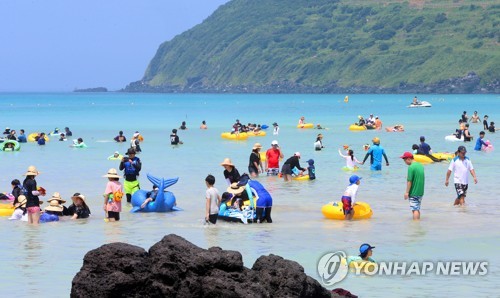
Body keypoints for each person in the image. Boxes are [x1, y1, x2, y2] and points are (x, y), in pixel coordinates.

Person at [400, 152, 425, 220]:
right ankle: (418, 223)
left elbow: (409, 181)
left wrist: (407, 192)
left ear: (408, 159)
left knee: (414, 209)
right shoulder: (420, 165)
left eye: (404, 160)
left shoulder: (411, 167)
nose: (404, 162)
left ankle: (415, 225)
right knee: (417, 208)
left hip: (414, 192)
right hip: (420, 192)